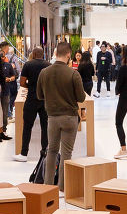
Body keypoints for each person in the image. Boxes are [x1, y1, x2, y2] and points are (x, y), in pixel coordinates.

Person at [39, 42, 86, 187]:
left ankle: (47, 186)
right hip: (70, 117)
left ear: (55, 54)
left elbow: (40, 96)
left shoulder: (44, 72)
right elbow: (81, 98)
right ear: (68, 55)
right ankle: (62, 187)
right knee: (67, 153)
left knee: (51, 151)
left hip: (52, 118)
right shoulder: (73, 73)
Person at [15, 47, 49, 161]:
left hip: (31, 99)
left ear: (33, 54)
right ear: (42, 55)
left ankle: (24, 154)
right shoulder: (49, 65)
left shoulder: (28, 65)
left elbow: (22, 82)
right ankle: (45, 152)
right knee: (45, 127)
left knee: (27, 127)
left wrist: (30, 87)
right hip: (45, 100)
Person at [0, 42, 19, 121]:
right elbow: (18, 70)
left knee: (6, 97)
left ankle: (8, 113)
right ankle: (9, 113)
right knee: (10, 96)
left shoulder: (3, 58)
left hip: (4, 82)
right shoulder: (13, 58)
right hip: (7, 82)